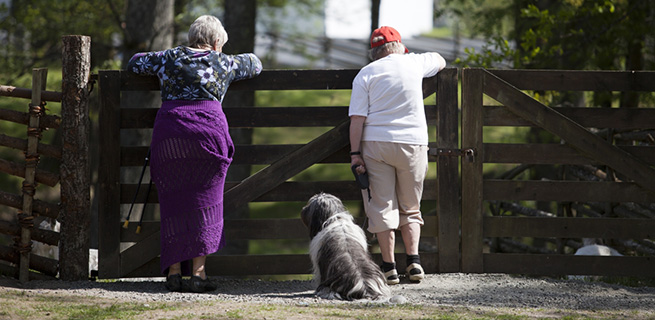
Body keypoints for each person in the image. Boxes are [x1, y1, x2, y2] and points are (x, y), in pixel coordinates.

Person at [127, 15, 262, 293]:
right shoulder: (223, 61)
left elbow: (135, 62)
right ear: (215, 42)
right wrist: (221, 53)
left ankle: (174, 273)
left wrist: (170, 55)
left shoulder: (168, 57)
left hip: (171, 136)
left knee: (173, 200)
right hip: (208, 135)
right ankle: (198, 275)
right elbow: (255, 63)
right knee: (206, 201)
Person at [348, 26, 446, 285]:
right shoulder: (413, 62)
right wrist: (410, 55)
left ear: (374, 52)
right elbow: (440, 59)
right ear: (399, 47)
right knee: (411, 206)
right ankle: (414, 262)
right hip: (412, 143)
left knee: (382, 205)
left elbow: (357, 118)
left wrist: (355, 153)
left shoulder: (365, 73)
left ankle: (389, 267)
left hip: (376, 144)